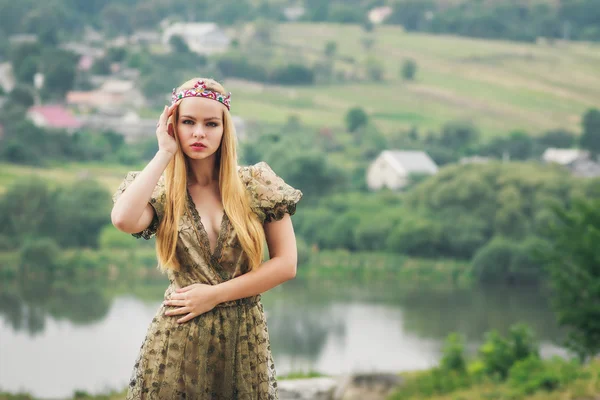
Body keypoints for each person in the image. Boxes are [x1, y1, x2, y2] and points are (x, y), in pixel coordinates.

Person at [111, 77, 303, 399]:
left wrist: (215, 295)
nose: (199, 132)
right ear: (174, 125)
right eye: (188, 122)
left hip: (244, 337)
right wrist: (164, 153)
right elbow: (123, 219)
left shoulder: (256, 185)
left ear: (224, 129)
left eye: (211, 123)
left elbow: (286, 265)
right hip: (178, 337)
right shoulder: (163, 191)